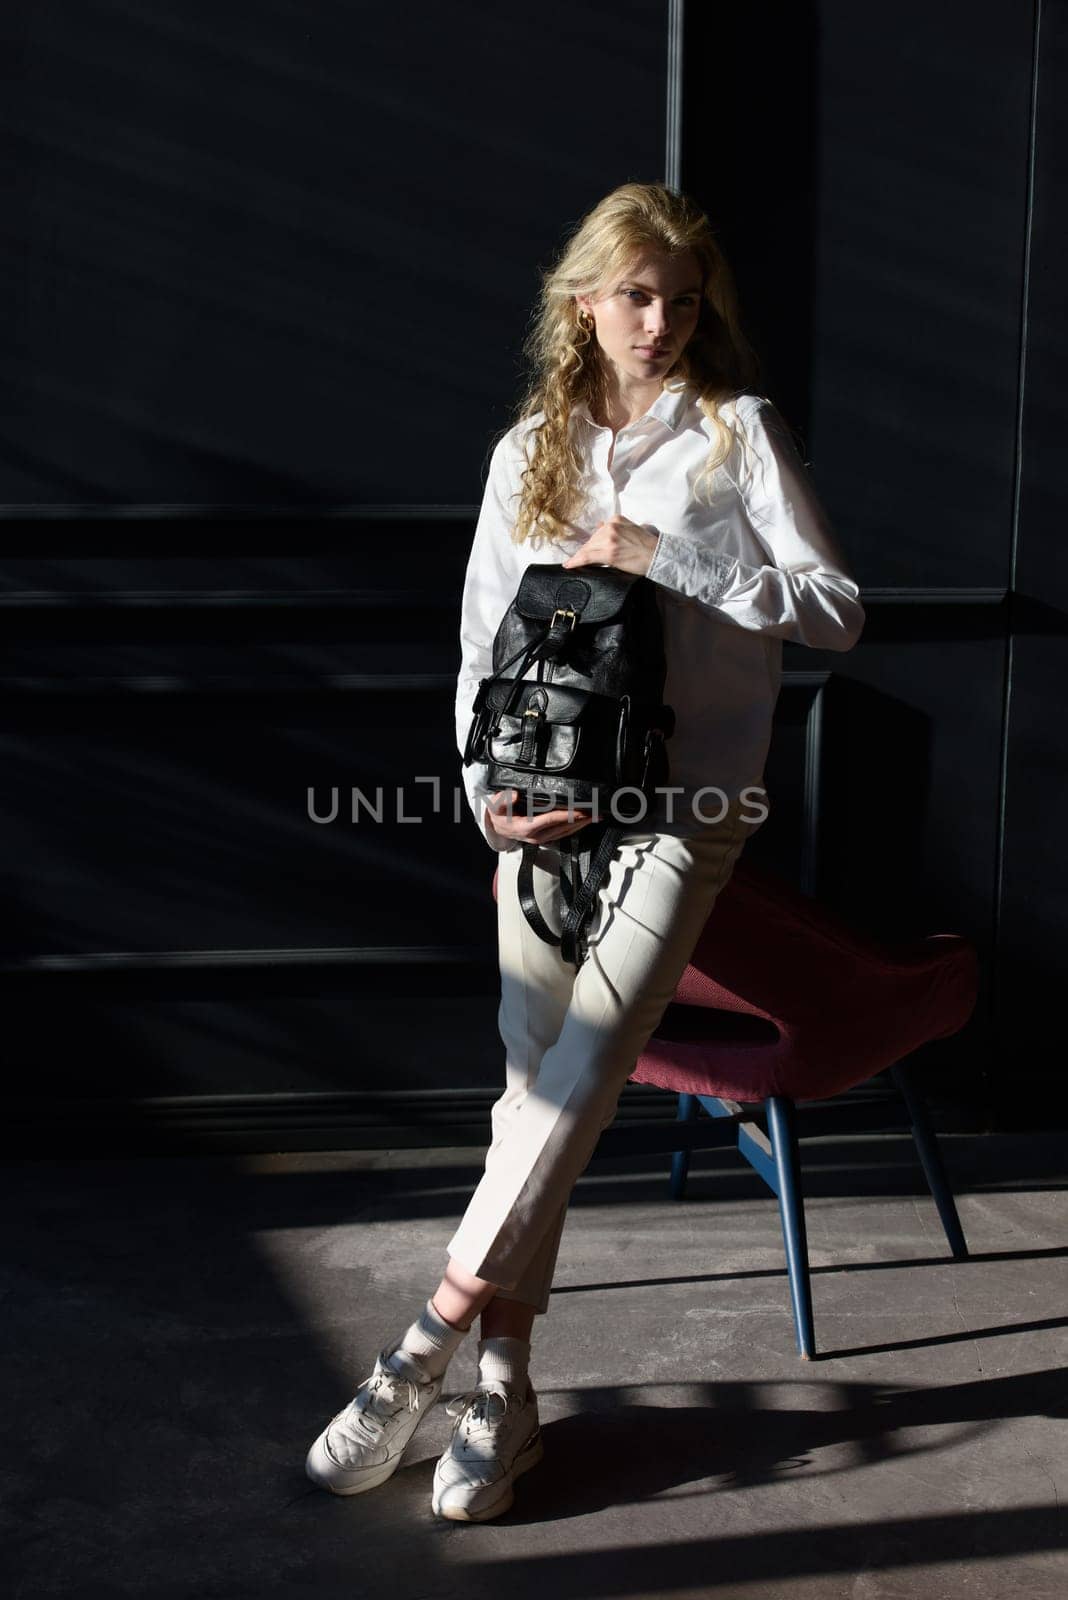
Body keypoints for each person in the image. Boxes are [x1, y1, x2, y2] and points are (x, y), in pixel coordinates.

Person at [305, 181, 865, 1521]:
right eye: (635, 295)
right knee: (528, 1095)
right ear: (583, 299)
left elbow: (837, 612)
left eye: (681, 297)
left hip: (690, 809)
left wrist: (676, 557)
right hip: (541, 814)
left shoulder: (738, 436)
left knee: (583, 1072)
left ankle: (418, 1346)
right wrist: (485, 792)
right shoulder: (529, 450)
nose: (660, 320)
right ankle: (507, 1399)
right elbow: (479, 644)